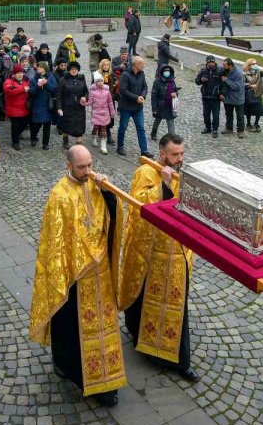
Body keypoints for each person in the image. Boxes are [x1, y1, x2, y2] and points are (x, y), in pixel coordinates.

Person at [28, 144, 125, 407]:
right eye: (82, 167)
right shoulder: (59, 195)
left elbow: (110, 220)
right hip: (74, 276)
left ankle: (105, 377)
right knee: (70, 325)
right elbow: (54, 242)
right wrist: (66, 271)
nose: (88, 171)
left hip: (100, 274)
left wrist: (108, 195)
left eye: (90, 165)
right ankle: (72, 369)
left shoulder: (96, 186)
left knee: (102, 327)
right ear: (69, 166)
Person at [118, 134, 199, 380]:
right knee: (145, 296)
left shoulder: (182, 174)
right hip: (151, 251)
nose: (180, 158)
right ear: (162, 154)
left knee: (176, 302)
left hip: (177, 250)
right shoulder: (145, 172)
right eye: (175, 154)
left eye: (182, 153)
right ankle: (141, 339)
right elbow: (137, 206)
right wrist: (163, 185)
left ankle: (179, 359)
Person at [116, 56, 151, 158]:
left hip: (138, 108)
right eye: (141, 64)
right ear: (135, 65)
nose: (143, 65)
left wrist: (143, 96)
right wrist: (136, 98)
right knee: (123, 127)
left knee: (141, 128)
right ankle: (120, 146)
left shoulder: (141, 73)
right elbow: (123, 90)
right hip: (126, 107)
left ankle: (144, 150)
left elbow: (145, 86)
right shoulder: (125, 75)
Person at [56, 60, 90, 150]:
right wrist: (59, 108)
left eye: (75, 69)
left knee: (79, 128)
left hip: (79, 108)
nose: (74, 71)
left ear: (78, 70)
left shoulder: (81, 78)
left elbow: (86, 91)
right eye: (72, 69)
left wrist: (85, 97)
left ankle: (79, 146)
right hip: (67, 107)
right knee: (66, 125)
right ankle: (65, 141)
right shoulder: (63, 80)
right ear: (69, 70)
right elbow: (58, 95)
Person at [2, 64, 32, 151]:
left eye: (21, 73)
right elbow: (8, 91)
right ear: (14, 74)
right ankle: (15, 142)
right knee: (15, 126)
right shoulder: (9, 81)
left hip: (24, 108)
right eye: (18, 73)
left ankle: (17, 134)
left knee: (24, 123)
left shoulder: (26, 81)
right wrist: (23, 89)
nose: (20, 75)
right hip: (13, 109)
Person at [242, 57, 263, 132]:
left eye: (256, 63)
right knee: (249, 110)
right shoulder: (245, 73)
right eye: (253, 64)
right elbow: (242, 84)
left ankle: (256, 123)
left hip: (257, 93)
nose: (255, 65)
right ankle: (248, 124)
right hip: (249, 93)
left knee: (259, 110)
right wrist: (250, 86)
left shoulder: (258, 72)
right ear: (249, 65)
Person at [150, 65, 180, 140]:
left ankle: (172, 138)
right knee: (157, 120)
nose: (167, 73)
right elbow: (154, 96)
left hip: (170, 106)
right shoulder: (157, 82)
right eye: (165, 71)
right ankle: (153, 132)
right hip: (160, 106)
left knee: (170, 122)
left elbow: (175, 92)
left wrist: (175, 94)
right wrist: (154, 109)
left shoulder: (172, 82)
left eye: (168, 71)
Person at [28, 61, 54, 150]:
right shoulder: (34, 78)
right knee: (36, 124)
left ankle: (45, 143)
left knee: (47, 126)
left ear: (45, 68)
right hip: (37, 104)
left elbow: (54, 89)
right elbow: (31, 93)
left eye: (40, 67)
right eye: (38, 67)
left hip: (47, 105)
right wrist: (38, 86)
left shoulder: (50, 77)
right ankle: (33, 138)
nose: (38, 68)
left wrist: (46, 84)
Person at [195, 55, 222, 137]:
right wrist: (201, 80)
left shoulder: (219, 71)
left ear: (214, 62)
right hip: (205, 97)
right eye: (209, 62)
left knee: (216, 115)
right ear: (207, 63)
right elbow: (197, 81)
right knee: (206, 114)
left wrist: (222, 93)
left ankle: (215, 129)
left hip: (215, 97)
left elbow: (223, 84)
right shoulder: (203, 71)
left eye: (212, 62)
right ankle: (207, 127)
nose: (211, 64)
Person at [88, 72, 115, 154]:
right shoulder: (92, 92)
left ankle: (103, 146)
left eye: (101, 81)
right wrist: (83, 102)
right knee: (96, 127)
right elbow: (90, 101)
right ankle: (93, 136)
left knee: (104, 130)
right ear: (95, 82)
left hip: (105, 113)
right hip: (96, 113)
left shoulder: (107, 91)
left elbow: (110, 102)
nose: (100, 83)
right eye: (98, 81)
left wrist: (112, 111)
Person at [219, 57, 245, 137]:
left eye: (225, 66)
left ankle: (241, 131)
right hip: (228, 99)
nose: (223, 67)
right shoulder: (225, 71)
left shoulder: (238, 73)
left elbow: (237, 87)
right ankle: (229, 128)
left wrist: (227, 80)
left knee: (240, 116)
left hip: (238, 99)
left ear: (230, 66)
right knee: (228, 114)